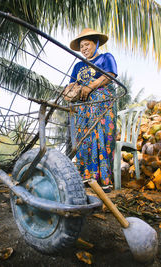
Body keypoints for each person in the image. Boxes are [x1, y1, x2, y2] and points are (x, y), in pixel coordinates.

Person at [68, 28, 118, 192]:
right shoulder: (78, 65)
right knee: (83, 136)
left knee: (99, 136)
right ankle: (86, 177)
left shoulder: (106, 57)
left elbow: (110, 75)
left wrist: (90, 86)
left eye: (87, 44)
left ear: (96, 43)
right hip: (83, 106)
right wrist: (69, 92)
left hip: (102, 102)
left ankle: (103, 180)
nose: (83, 49)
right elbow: (71, 85)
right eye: (81, 46)